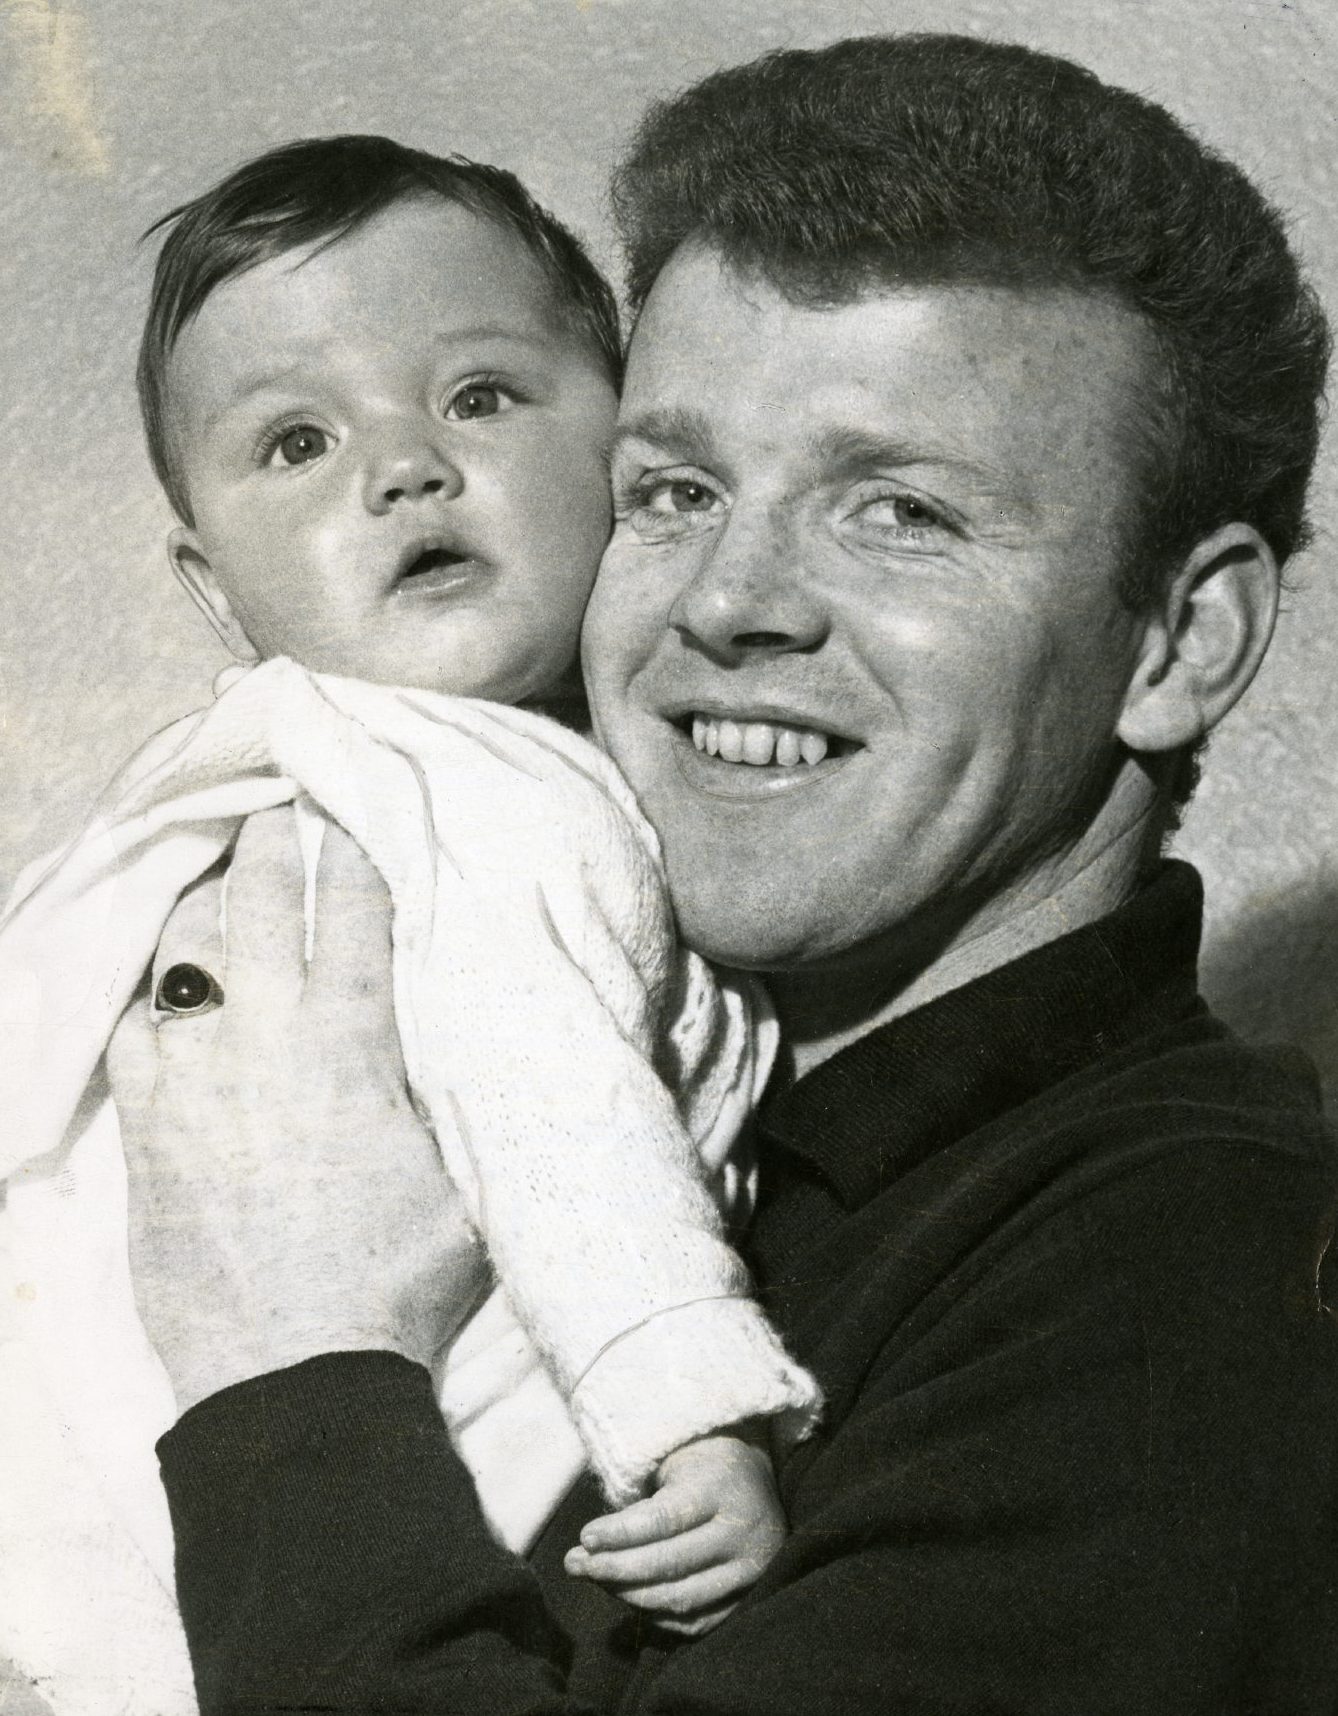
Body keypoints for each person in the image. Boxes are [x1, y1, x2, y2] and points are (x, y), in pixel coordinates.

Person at [111, 32, 1338, 1715]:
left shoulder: (1203, 1280)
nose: (725, 602)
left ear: (1181, 639)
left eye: (897, 509)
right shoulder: (654, 1093)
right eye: (673, 489)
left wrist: (288, 1360)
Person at [0, 136, 822, 1712]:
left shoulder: (269, 775)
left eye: (479, 398)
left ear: (630, 453)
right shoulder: (493, 789)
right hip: (241, 1445)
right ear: (216, 588)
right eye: (297, 442)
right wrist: (687, 1408)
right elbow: (560, 1116)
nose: (404, 468)